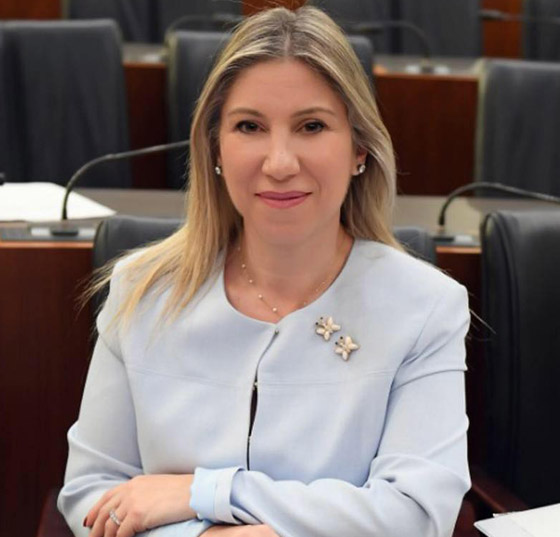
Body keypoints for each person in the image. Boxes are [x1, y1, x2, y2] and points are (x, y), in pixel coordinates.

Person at [58, 5, 471, 537]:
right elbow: (91, 494)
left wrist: (204, 492)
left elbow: (414, 514)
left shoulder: (427, 306)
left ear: (360, 149)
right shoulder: (141, 289)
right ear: (215, 148)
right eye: (249, 126)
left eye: (311, 126)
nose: (279, 163)